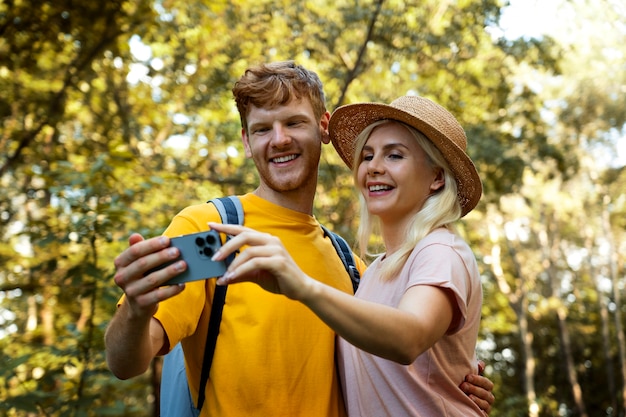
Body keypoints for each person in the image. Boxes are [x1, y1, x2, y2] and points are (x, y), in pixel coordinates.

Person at [104, 62, 494, 416]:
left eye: (293, 123)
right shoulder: (213, 230)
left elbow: (401, 354)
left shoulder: (352, 266)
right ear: (245, 141)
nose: (279, 140)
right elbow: (126, 363)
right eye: (261, 129)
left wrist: (454, 383)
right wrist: (135, 311)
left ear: (323, 128)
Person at [209, 94, 485, 416]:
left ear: (437, 177)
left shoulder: (439, 249)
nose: (374, 167)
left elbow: (408, 338)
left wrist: (301, 285)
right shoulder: (371, 274)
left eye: (394, 156)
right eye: (367, 156)